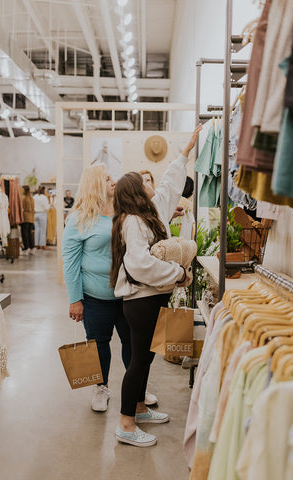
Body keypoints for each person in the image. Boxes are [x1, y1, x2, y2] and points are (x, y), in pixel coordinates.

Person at [110, 124, 202, 447]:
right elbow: (139, 264)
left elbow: (169, 186)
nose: (149, 183)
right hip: (140, 301)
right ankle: (125, 424)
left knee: (145, 357)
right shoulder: (133, 222)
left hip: (150, 297)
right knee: (137, 361)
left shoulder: (147, 214)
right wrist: (177, 273)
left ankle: (137, 408)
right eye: (142, 181)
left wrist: (185, 151)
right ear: (136, 191)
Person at [62, 164, 157, 413]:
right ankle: (100, 387)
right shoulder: (78, 220)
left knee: (133, 344)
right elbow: (70, 264)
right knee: (98, 343)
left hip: (128, 293)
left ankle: (136, 389)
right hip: (95, 297)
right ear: (95, 185)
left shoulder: (124, 212)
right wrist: (75, 300)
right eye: (106, 179)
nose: (112, 181)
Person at [34, 186, 50, 250]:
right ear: (44, 191)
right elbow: (46, 207)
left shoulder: (34, 197)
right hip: (42, 214)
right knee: (43, 230)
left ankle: (37, 245)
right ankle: (43, 245)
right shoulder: (44, 198)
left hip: (35, 214)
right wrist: (49, 206)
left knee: (37, 229)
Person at [21, 185, 35, 255]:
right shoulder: (31, 198)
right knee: (29, 233)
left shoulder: (24, 198)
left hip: (25, 217)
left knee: (24, 233)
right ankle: (32, 247)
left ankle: (26, 248)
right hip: (31, 217)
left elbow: (22, 208)